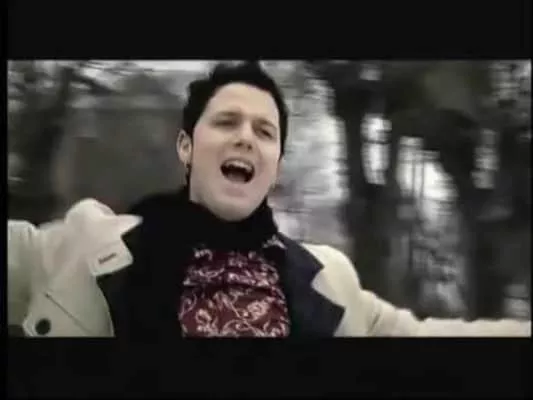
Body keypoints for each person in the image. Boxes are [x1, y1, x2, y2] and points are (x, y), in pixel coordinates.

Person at [7, 61, 531, 338]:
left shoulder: (328, 280)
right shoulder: (78, 246)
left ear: (275, 165)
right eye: (226, 122)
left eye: (265, 131)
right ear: (186, 147)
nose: (246, 138)